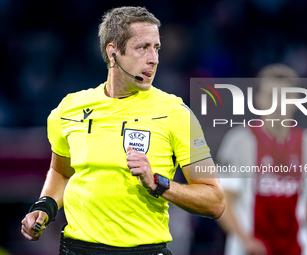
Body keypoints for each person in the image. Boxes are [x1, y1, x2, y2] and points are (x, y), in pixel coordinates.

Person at [21, 6, 225, 255]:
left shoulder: (176, 113)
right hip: (77, 249)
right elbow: (61, 173)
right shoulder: (68, 109)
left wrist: (159, 183)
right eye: (143, 48)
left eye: (156, 48)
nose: (154, 59)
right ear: (113, 52)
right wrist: (44, 207)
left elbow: (215, 201)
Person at [216, 64, 307, 255]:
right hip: (250, 250)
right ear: (258, 99)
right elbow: (222, 200)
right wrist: (246, 240)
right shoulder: (239, 140)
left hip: (298, 249)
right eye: (271, 96)